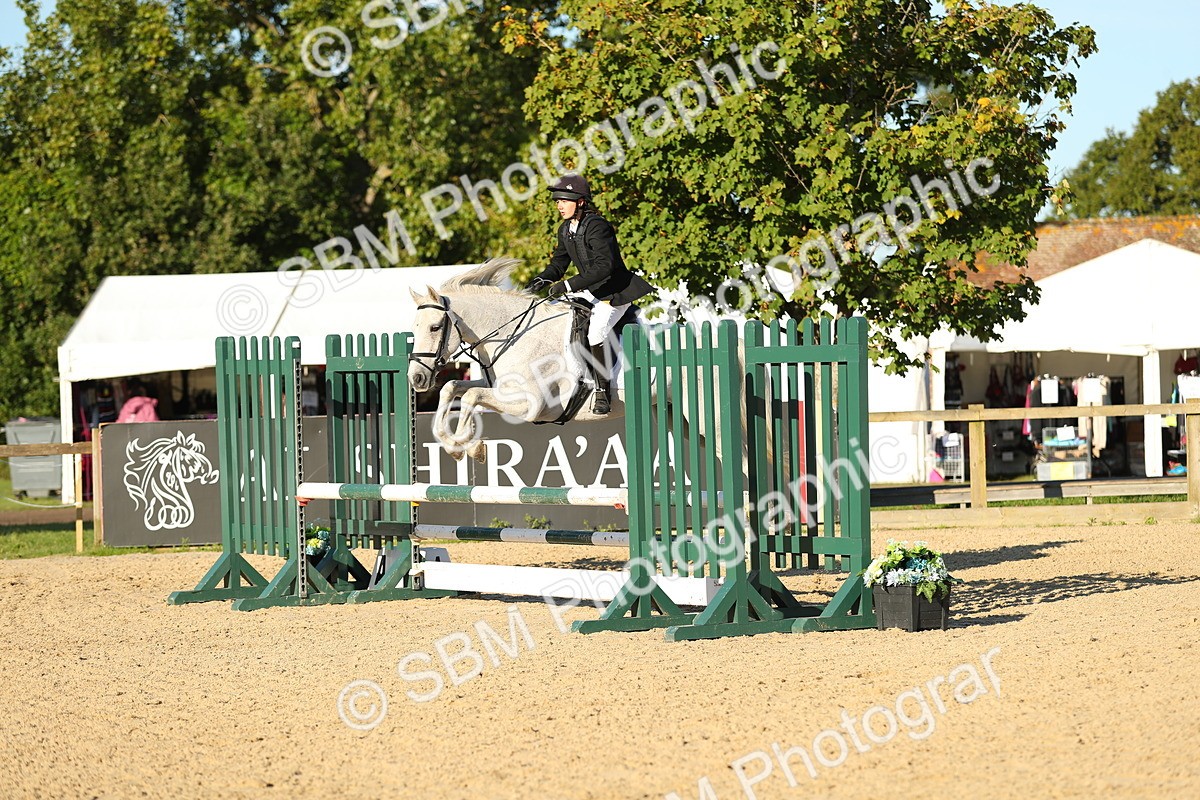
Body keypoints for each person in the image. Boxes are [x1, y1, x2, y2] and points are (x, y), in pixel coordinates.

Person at [528, 174, 653, 414]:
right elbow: (559, 264)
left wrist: (567, 285)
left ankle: (602, 392)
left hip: (616, 291)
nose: (559, 205)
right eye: (557, 201)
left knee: (596, 332)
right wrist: (541, 279)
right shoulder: (566, 229)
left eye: (564, 200)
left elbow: (604, 266)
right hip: (593, 291)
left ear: (581, 202)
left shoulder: (598, 226)